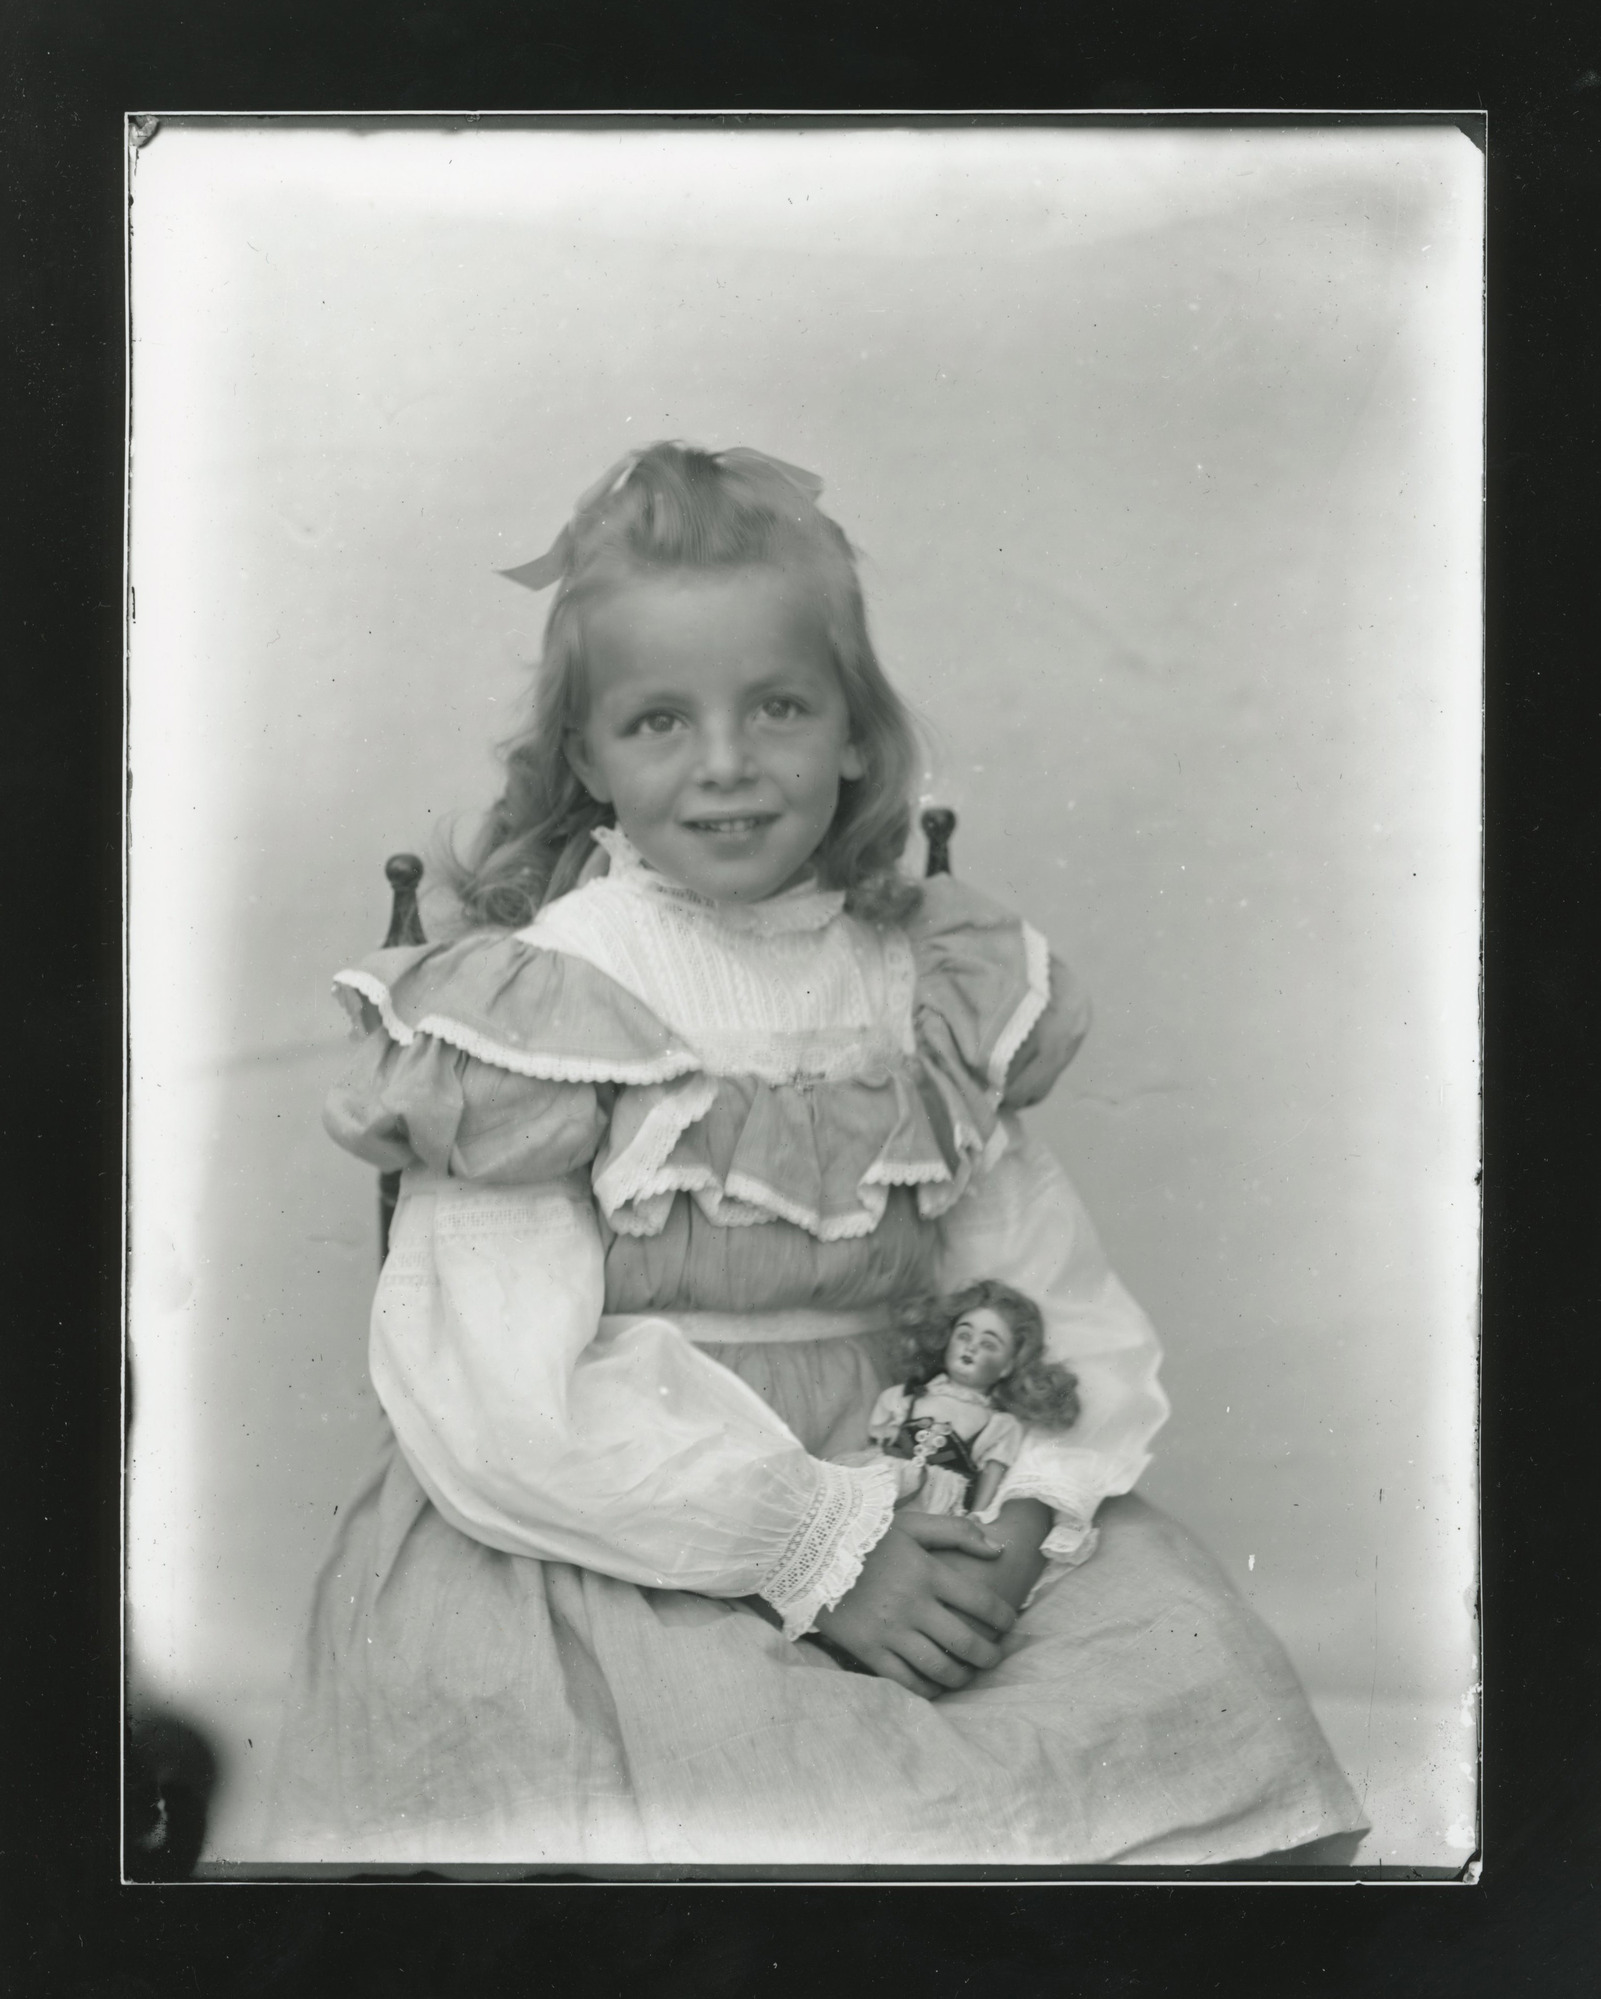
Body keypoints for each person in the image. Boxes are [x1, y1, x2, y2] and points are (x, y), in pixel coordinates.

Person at [261, 441, 1364, 1867]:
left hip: (914, 1478)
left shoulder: (921, 986)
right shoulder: (549, 1003)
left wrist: (1009, 1525)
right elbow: (500, 1398)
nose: (725, 762)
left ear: (853, 730)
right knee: (798, 1807)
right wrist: (818, 1552)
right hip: (629, 1522)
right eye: (658, 720)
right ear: (584, 755)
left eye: (777, 704)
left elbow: (1039, 1297)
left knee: (1205, 1689)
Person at [852, 1280, 1081, 1520]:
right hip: (880, 1490)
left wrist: (976, 1518)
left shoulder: (999, 1425)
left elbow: (991, 1477)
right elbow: (875, 1449)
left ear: (1008, 1366)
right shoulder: (903, 1397)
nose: (971, 1347)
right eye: (963, 1335)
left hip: (934, 1507)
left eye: (988, 1344)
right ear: (946, 1339)